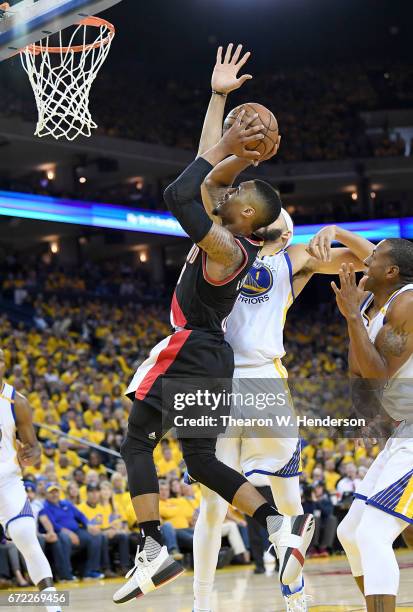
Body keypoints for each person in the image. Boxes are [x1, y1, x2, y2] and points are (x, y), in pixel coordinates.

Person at [114, 43, 314, 605]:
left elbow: (182, 190)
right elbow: (205, 173)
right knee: (200, 463)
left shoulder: (223, 246)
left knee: (135, 442)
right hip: (220, 362)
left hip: (195, 348)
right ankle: (279, 526)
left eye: (235, 195)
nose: (224, 192)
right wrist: (218, 98)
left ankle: (153, 547)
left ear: (247, 216)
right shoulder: (230, 237)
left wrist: (230, 144)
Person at [191, 49, 375, 611]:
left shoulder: (272, 261)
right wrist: (220, 99)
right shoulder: (234, 250)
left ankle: (238, 598)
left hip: (235, 381)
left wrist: (335, 238)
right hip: (243, 381)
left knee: (238, 502)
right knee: (258, 503)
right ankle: (261, 597)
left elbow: (373, 264)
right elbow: (204, 171)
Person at [330, 239, 413, 612]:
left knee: (373, 532)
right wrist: (356, 316)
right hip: (403, 431)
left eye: (374, 258)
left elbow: (377, 376)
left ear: (391, 271)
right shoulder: (372, 310)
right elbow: (358, 373)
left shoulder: (408, 303)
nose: (366, 260)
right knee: (350, 533)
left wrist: (351, 317)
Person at [0, 348, 62, 612]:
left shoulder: (17, 402)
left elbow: (34, 446)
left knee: (25, 533)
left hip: (7, 480)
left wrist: (31, 454)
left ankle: (53, 607)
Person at [40, 483, 104, 580]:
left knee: (96, 536)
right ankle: (66, 575)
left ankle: (90, 571)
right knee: (64, 538)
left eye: (56, 492)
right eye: (51, 492)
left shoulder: (66, 503)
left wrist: (88, 525)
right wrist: (69, 533)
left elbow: (80, 515)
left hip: (77, 531)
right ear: (46, 494)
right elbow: (53, 524)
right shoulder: (45, 506)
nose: (54, 494)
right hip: (60, 532)